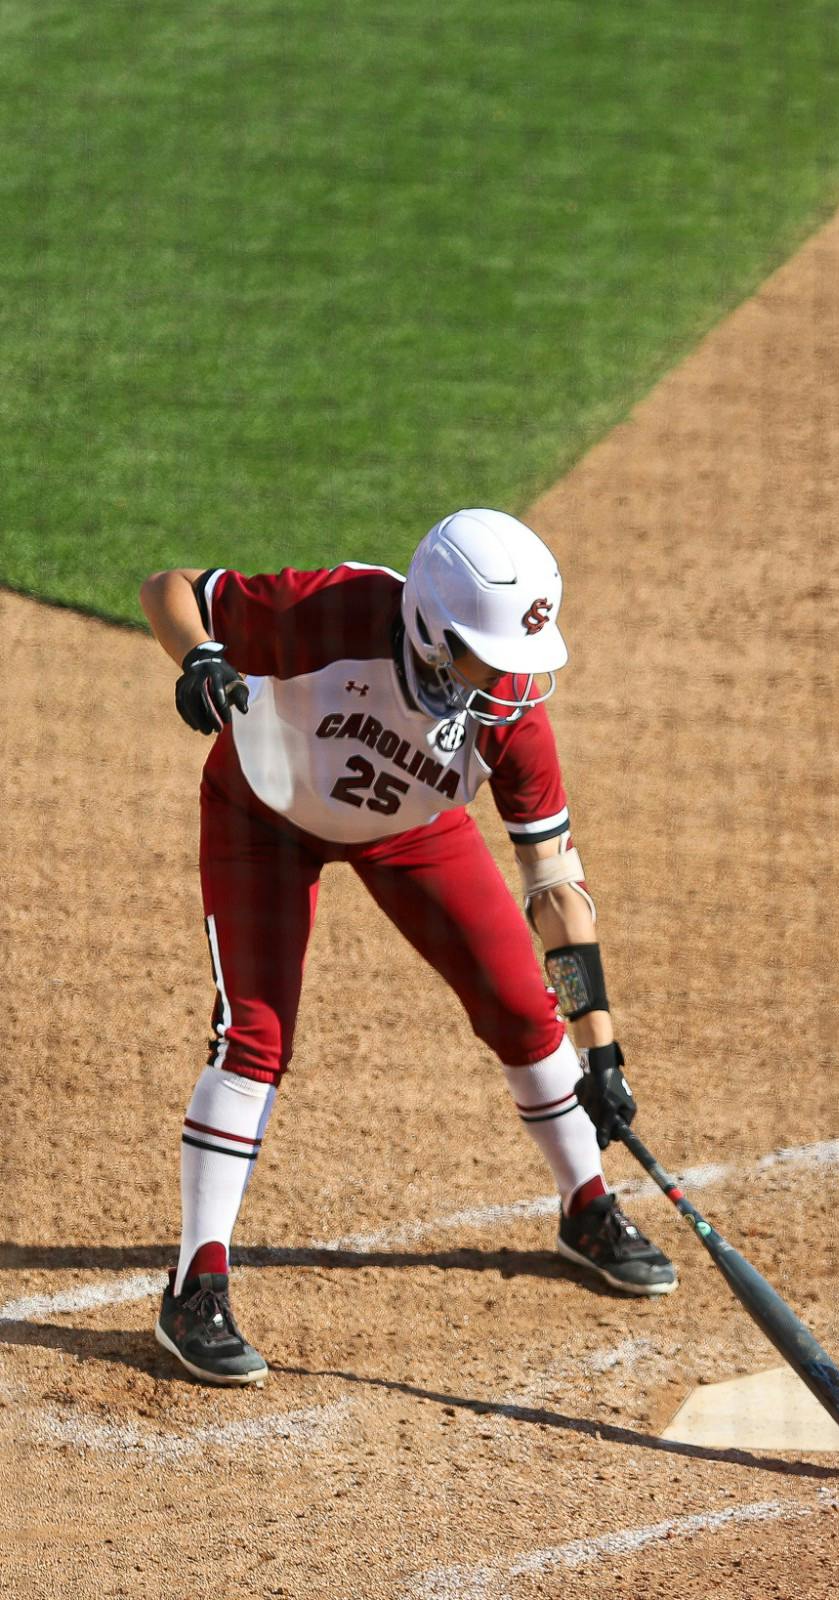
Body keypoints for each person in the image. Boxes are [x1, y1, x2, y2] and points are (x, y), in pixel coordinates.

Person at [139, 508, 676, 1388]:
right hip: (263, 816)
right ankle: (195, 1289)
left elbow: (555, 890)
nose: (509, 681)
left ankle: (588, 1207)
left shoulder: (508, 716)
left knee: (518, 1004)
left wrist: (603, 1049)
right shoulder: (334, 614)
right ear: (431, 627)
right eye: (491, 656)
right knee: (256, 1036)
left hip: (408, 829)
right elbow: (169, 590)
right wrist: (199, 658)